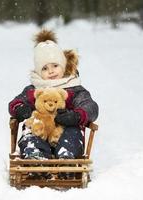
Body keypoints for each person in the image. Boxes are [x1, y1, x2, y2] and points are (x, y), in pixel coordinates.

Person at [8, 29, 98, 163]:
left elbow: (90, 106)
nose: (51, 71)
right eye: (44, 68)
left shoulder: (74, 89)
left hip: (64, 132)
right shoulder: (34, 89)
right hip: (41, 130)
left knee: (73, 131)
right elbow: (15, 102)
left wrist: (77, 116)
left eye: (55, 66)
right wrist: (20, 108)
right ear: (39, 72)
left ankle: (66, 156)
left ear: (63, 65)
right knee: (29, 130)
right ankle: (35, 154)